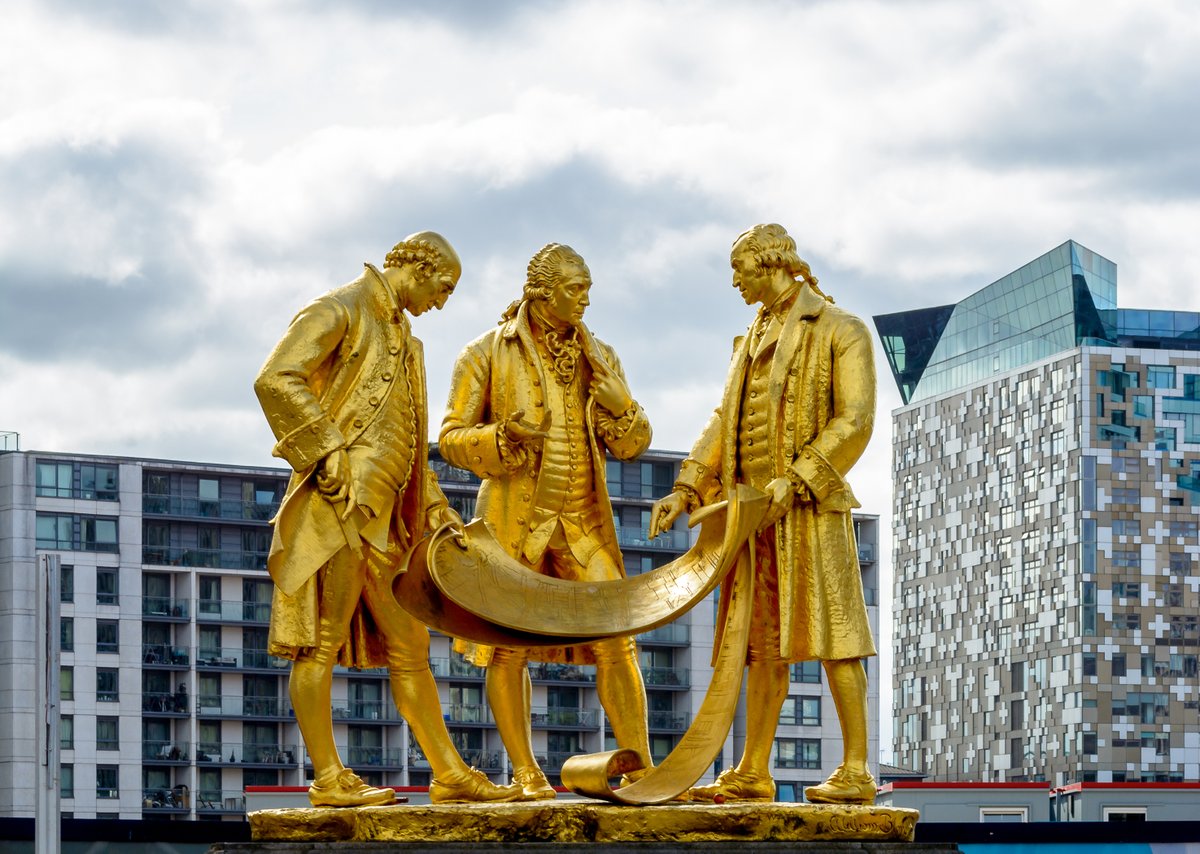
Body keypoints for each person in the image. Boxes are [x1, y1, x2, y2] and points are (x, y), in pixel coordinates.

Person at [254, 232, 519, 808]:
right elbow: (276, 378)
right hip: (339, 510)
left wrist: (433, 507)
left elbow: (408, 438)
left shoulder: (410, 343)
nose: (444, 302)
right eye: (443, 287)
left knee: (410, 644)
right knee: (318, 645)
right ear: (416, 266)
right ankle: (327, 779)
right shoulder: (338, 308)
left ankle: (448, 773)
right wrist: (325, 453)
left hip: (389, 521)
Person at [649, 223, 878, 805]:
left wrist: (797, 479)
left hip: (809, 511)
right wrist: (687, 485)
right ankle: (753, 769)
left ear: (769, 262)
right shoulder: (747, 337)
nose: (734, 281)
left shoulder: (839, 328)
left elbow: (855, 421)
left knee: (837, 635)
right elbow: (722, 422)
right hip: (750, 518)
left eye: (739, 269)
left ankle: (856, 768)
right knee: (759, 643)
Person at [439, 243, 653, 800]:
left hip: (582, 522)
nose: (586, 298)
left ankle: (641, 770)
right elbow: (451, 438)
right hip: (514, 521)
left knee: (618, 639)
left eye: (587, 287)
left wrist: (624, 403)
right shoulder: (485, 352)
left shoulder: (601, 356)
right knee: (508, 647)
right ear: (542, 292)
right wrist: (500, 438)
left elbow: (631, 445)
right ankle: (526, 773)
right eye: (575, 288)